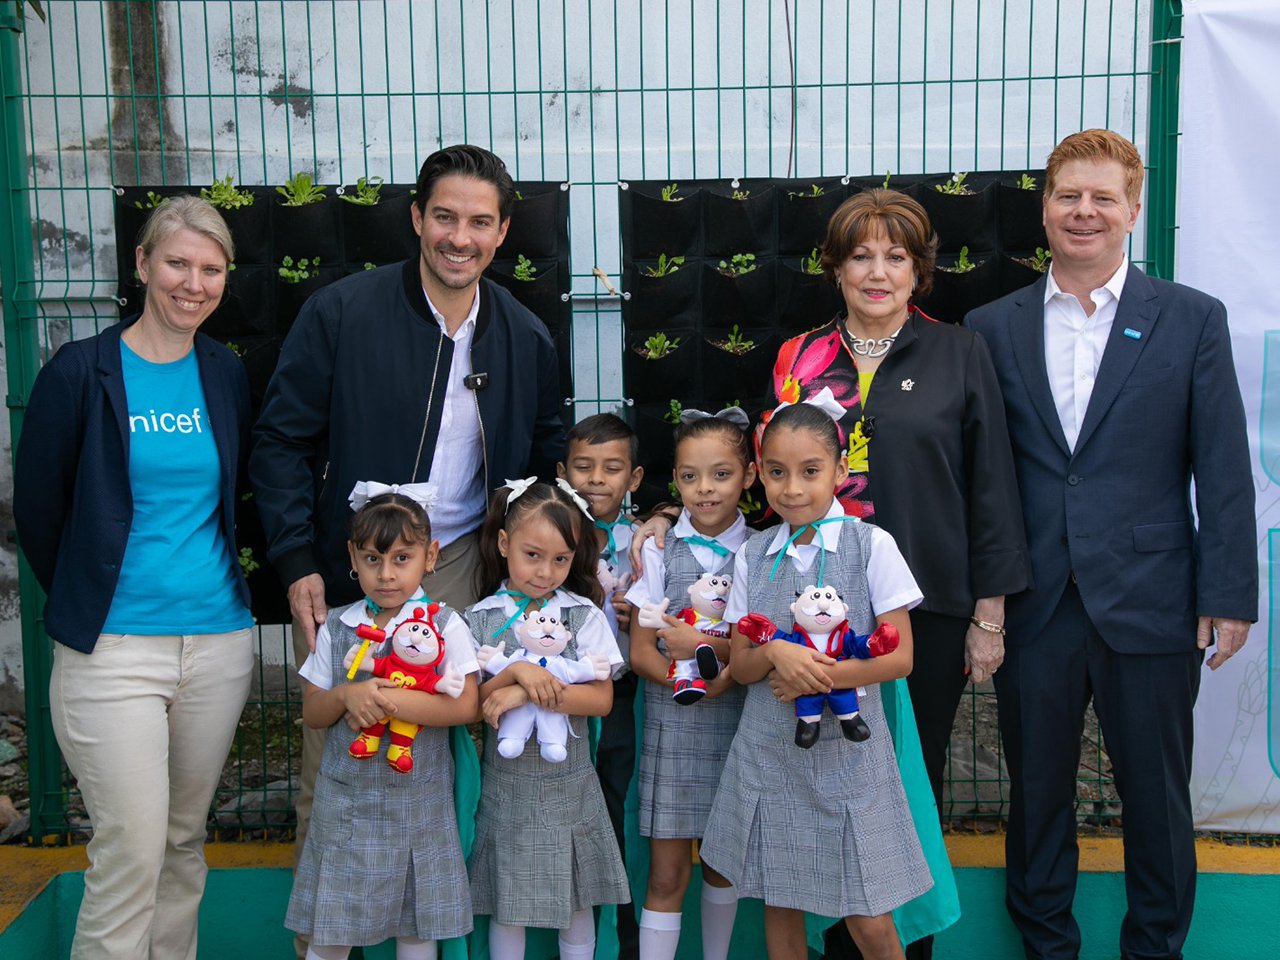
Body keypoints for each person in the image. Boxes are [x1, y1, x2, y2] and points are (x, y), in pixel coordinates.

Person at [630, 187, 1027, 956]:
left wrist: (989, 614)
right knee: (815, 787)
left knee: (898, 800)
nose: (877, 271)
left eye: (896, 255)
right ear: (835, 267)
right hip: (799, 616)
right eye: (860, 255)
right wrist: (667, 516)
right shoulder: (798, 356)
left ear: (920, 268)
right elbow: (763, 475)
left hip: (924, 611)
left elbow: (993, 488)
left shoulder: (960, 350)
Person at [248, 143, 566, 945]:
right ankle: (326, 941)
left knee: (466, 763)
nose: (462, 238)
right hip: (357, 569)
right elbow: (280, 442)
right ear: (418, 218)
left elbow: (546, 464)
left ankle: (437, 934)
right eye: (447, 217)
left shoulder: (526, 335)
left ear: (501, 234)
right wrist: (298, 563)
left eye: (481, 223)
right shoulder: (342, 311)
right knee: (339, 764)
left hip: (467, 566)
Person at [965, 128, 1257, 960]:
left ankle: (1154, 950)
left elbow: (1223, 466)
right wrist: (987, 599)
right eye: (1067, 196)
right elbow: (984, 475)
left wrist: (1229, 595)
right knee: (1039, 796)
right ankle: (1046, 947)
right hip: (1037, 601)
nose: (1083, 212)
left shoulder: (1192, 318)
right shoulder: (991, 325)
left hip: (1155, 600)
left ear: (1134, 210)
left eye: (1102, 197)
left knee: (1157, 800)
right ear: (1045, 208)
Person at [13, 196, 254, 959]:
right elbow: (40, 512)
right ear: (143, 263)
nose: (194, 282)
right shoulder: (80, 371)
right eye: (178, 262)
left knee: (183, 844)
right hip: (113, 651)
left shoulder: (223, 371)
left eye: (210, 269)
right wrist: (95, 596)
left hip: (217, 644)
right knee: (131, 852)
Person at [699, 398, 936, 960]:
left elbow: (898, 659)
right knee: (779, 908)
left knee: (871, 918)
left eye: (810, 471)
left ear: (841, 472)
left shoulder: (871, 545)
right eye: (777, 472)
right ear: (761, 474)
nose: (792, 489)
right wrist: (778, 651)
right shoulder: (755, 554)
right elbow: (742, 663)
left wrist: (814, 676)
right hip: (770, 755)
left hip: (850, 763)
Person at [286, 486, 479, 960]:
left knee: (416, 933)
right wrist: (347, 695)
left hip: (420, 810)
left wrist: (384, 699)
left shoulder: (446, 625)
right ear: (352, 555)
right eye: (372, 559)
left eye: (402, 558)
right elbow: (313, 712)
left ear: (430, 556)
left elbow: (465, 707)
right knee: (331, 931)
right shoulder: (336, 627)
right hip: (346, 811)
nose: (387, 574)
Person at [463, 480, 629, 960]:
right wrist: (515, 671)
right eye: (532, 555)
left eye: (560, 559)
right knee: (507, 904)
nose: (545, 571)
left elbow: (599, 700)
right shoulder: (477, 619)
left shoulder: (584, 615)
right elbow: (472, 706)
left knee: (576, 901)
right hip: (506, 787)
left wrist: (522, 688)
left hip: (570, 786)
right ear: (502, 543)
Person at [623, 408, 756, 960]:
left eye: (721, 474)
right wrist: (693, 682)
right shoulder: (657, 550)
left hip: (739, 724)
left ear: (749, 475)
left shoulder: (764, 550)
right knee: (667, 873)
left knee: (724, 868)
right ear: (673, 481)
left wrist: (706, 659)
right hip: (672, 725)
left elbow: (760, 651)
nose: (705, 489)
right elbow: (639, 652)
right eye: (689, 476)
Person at [556, 412, 645, 958]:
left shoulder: (645, 541)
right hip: (559, 703)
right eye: (584, 467)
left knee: (617, 808)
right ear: (563, 472)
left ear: (634, 478)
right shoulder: (548, 536)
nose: (597, 478)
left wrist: (642, 621)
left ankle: (624, 936)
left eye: (613, 468)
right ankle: (578, 934)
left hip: (625, 699)